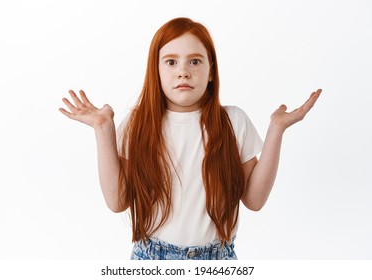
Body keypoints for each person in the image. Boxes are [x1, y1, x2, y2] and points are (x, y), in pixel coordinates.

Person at [59, 17, 321, 260]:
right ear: (156, 71)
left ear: (210, 72)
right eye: (171, 62)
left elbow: (254, 200)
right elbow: (117, 201)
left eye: (194, 61)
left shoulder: (233, 121)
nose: (183, 71)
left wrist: (276, 130)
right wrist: (103, 129)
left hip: (217, 260)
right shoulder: (139, 122)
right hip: (150, 258)